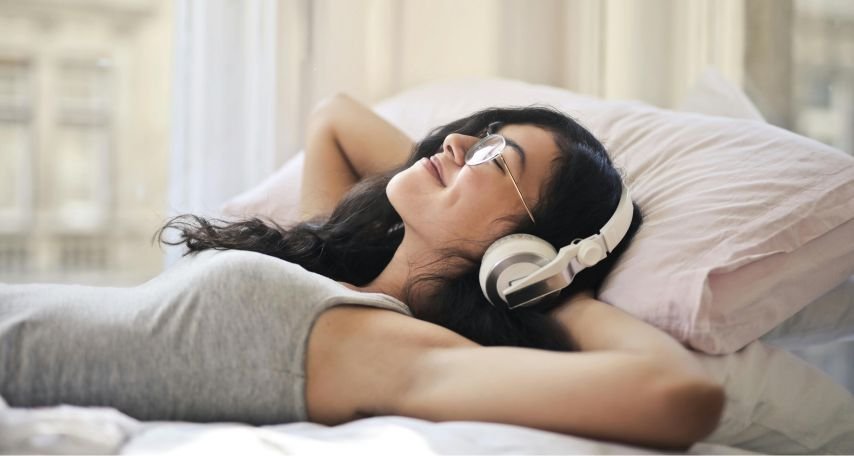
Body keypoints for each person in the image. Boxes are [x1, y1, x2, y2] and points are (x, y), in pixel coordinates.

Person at [0, 94, 724, 452]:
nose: (461, 142)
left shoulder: (386, 353)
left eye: (498, 160)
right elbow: (336, 121)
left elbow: (682, 395)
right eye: (485, 135)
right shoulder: (340, 268)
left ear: (527, 249)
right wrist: (460, 167)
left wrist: (544, 283)